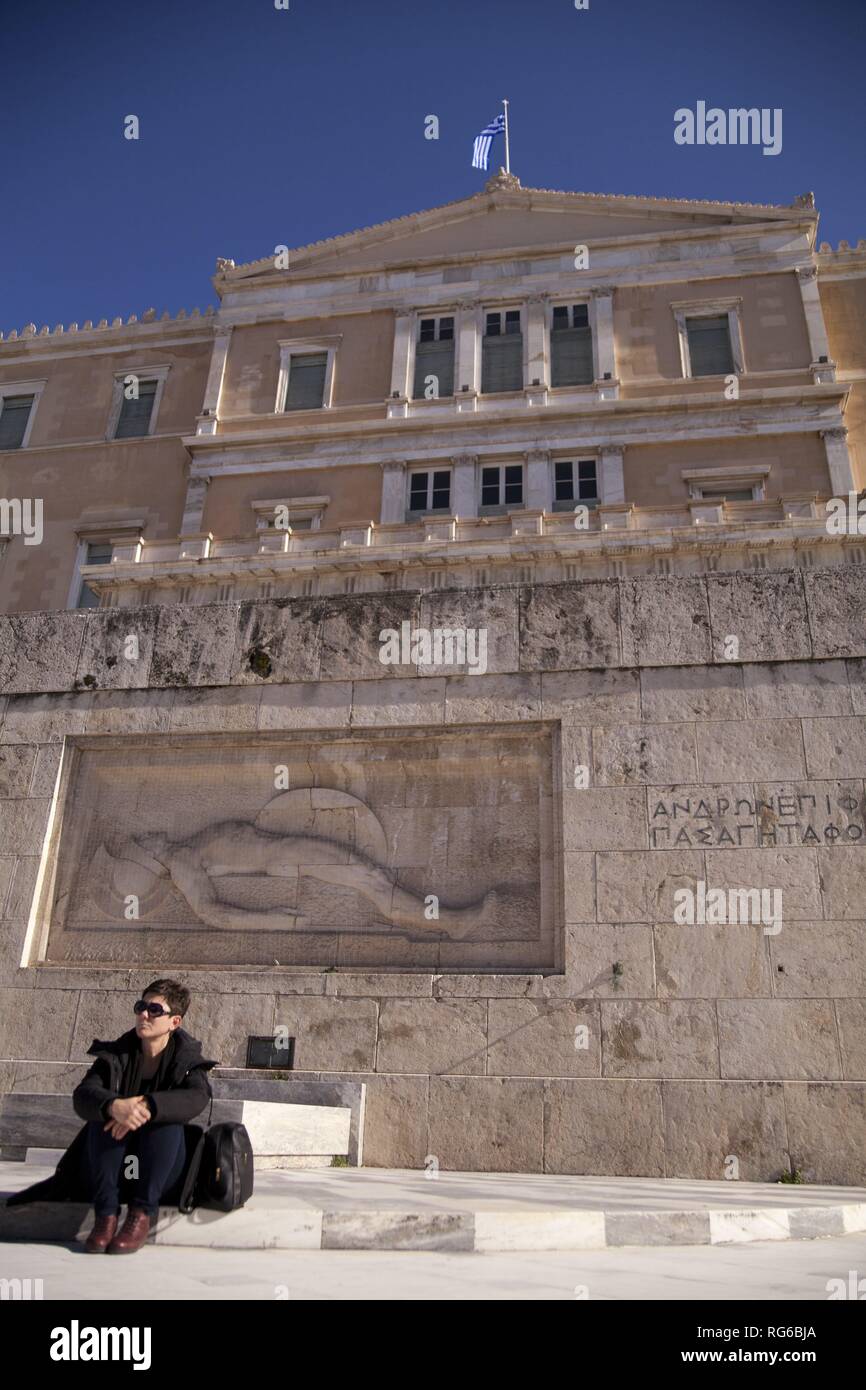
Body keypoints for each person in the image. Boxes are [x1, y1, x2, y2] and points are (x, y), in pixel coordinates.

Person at [71, 979, 217, 1254]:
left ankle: (140, 1215)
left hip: (160, 1171)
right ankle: (106, 1216)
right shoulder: (115, 1055)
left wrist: (146, 1105)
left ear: (175, 1022)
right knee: (103, 1118)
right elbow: (84, 1095)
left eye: (154, 1009)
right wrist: (114, 1107)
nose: (144, 1014)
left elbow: (197, 1097)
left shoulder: (187, 1061)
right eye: (141, 1007)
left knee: (164, 1122)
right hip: (113, 1166)